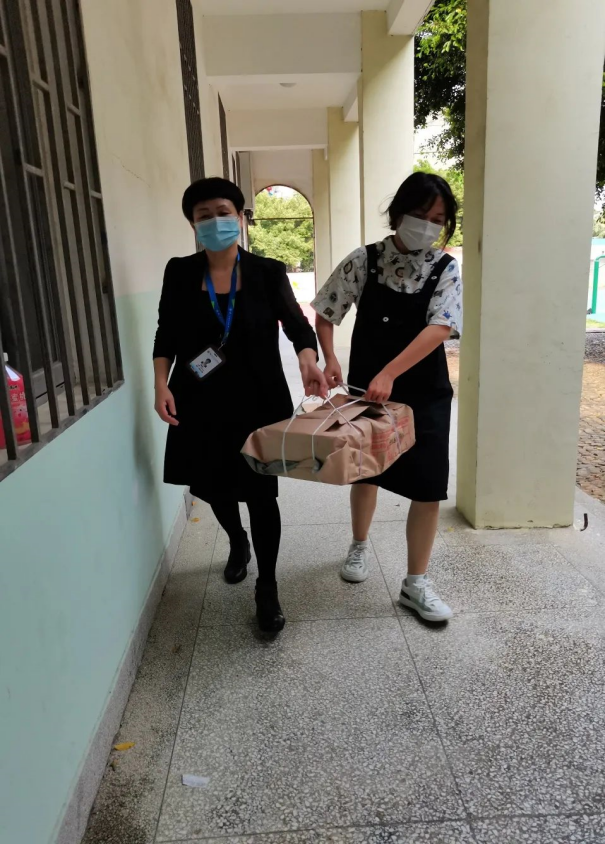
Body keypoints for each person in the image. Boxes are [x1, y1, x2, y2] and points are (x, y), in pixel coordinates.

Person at [153, 177, 327, 634]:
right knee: (213, 487)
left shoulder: (267, 271)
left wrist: (308, 359)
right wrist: (159, 384)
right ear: (192, 223)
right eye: (204, 215)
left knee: (262, 494)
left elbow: (297, 325)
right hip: (198, 398)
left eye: (223, 212)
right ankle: (236, 539)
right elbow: (166, 333)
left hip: (258, 400)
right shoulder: (180, 272)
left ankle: (267, 586)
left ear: (240, 217)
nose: (215, 221)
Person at [312, 172, 462, 622]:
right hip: (368, 390)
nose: (428, 225)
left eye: (438, 219)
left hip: (425, 392)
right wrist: (329, 358)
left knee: (429, 486)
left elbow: (440, 328)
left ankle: (416, 583)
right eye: (419, 214)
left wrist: (391, 371)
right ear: (398, 213)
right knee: (366, 472)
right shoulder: (365, 260)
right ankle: (359, 545)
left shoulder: (445, 267)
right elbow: (326, 310)